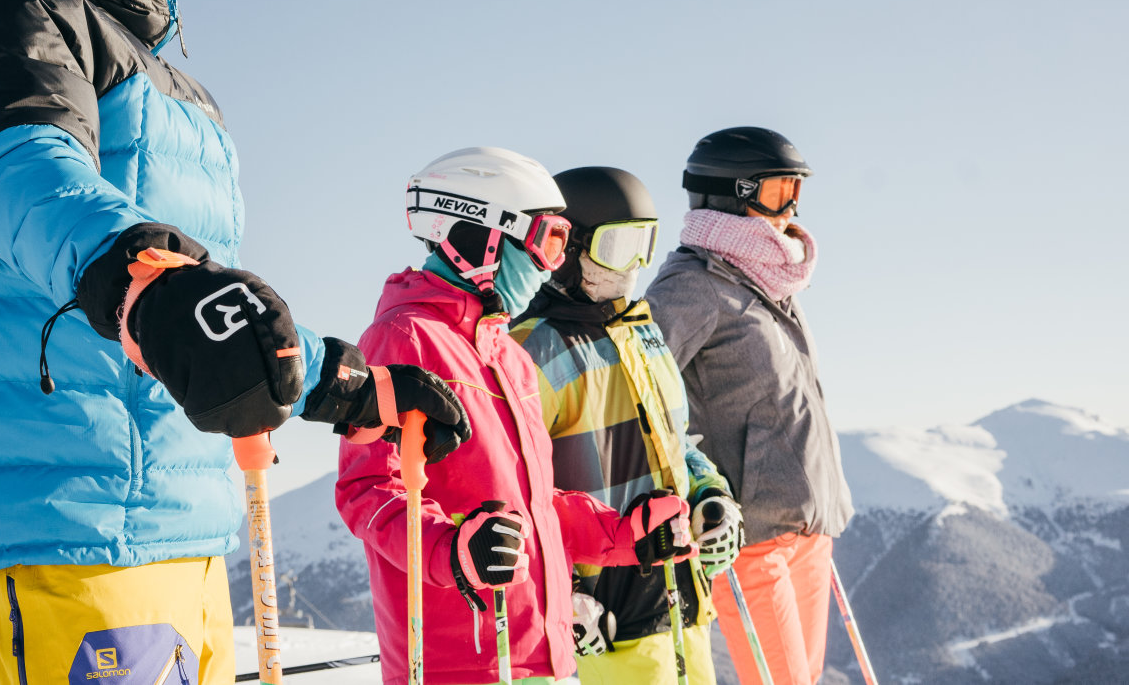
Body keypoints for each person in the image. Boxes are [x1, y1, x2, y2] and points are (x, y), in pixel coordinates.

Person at [0, 0, 468, 685]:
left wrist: (343, 384)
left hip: (190, 516)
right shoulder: (6, 15)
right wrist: (145, 281)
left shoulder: (176, 87)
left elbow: (211, 299)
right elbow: (24, 180)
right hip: (73, 522)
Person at [336, 148, 695, 685]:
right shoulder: (405, 338)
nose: (553, 264)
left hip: (539, 653)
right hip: (461, 662)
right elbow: (368, 490)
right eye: (548, 240)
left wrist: (624, 535)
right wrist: (453, 552)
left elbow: (535, 506)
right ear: (482, 237)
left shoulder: (511, 358)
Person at [511, 167, 740, 685]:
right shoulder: (532, 349)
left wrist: (709, 492)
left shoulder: (641, 331)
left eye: (645, 244)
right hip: (606, 611)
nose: (634, 265)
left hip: (682, 593)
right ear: (567, 251)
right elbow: (517, 494)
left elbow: (676, 444)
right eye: (619, 246)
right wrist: (555, 596)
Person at [645, 127, 853, 685]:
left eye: (797, 191)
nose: (792, 207)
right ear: (735, 193)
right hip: (751, 539)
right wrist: (692, 482)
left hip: (810, 525)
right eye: (780, 190)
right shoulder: (693, 285)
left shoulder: (770, 281)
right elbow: (638, 390)